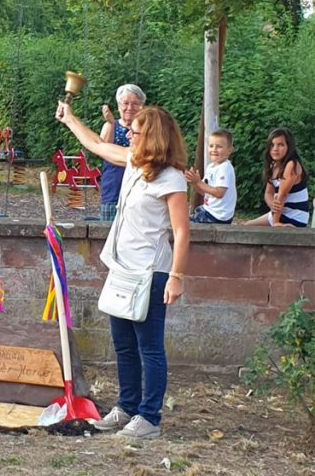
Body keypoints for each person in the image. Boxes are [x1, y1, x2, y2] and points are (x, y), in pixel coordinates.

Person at [55, 100, 190, 439]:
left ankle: (149, 418)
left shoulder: (171, 179)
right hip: (121, 268)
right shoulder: (134, 162)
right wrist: (70, 118)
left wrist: (175, 277)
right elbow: (98, 145)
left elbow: (182, 232)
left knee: (150, 348)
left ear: (153, 137)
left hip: (150, 273)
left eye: (136, 132)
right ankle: (127, 407)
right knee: (123, 345)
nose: (128, 134)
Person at [245, 127, 310, 227]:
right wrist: (273, 206)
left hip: (295, 216)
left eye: (280, 145)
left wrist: (276, 223)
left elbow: (281, 196)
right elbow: (268, 194)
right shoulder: (273, 166)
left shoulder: (292, 165)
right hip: (280, 213)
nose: (275, 149)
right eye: (272, 145)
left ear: (289, 147)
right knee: (246, 226)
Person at [99, 84, 146, 221]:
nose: (130, 108)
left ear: (142, 106)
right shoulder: (110, 124)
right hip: (113, 188)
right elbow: (102, 149)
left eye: (135, 104)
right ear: (119, 105)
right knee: (108, 233)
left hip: (139, 190)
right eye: (125, 103)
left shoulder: (146, 127)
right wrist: (110, 123)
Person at [185, 128, 236, 224]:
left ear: (229, 150)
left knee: (185, 224)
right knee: (185, 218)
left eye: (219, 147)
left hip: (218, 216)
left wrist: (198, 182)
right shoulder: (211, 167)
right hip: (209, 210)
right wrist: (193, 182)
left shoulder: (225, 168)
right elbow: (204, 192)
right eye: (211, 146)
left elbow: (219, 193)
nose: (214, 150)